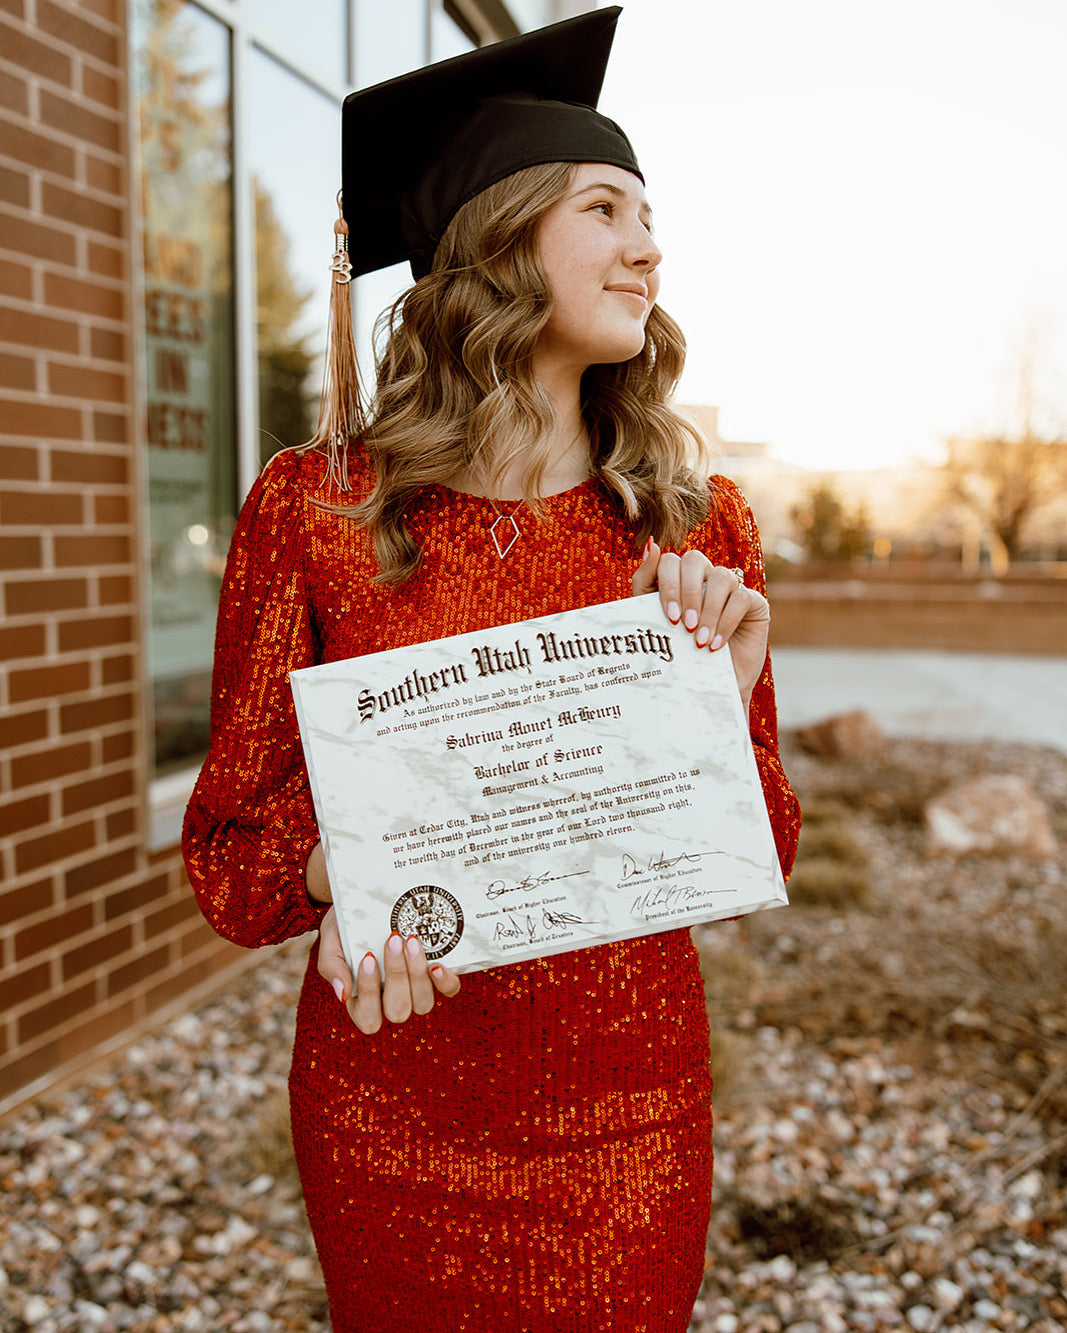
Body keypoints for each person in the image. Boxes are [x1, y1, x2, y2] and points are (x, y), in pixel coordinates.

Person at [183, 9, 800, 1330]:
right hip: (391, 1101)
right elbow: (232, 854)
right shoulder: (319, 511)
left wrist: (726, 683)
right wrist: (338, 861)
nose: (650, 246)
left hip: (627, 1112)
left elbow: (762, 848)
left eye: (651, 215)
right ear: (503, 235)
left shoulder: (693, 522)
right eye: (606, 207)